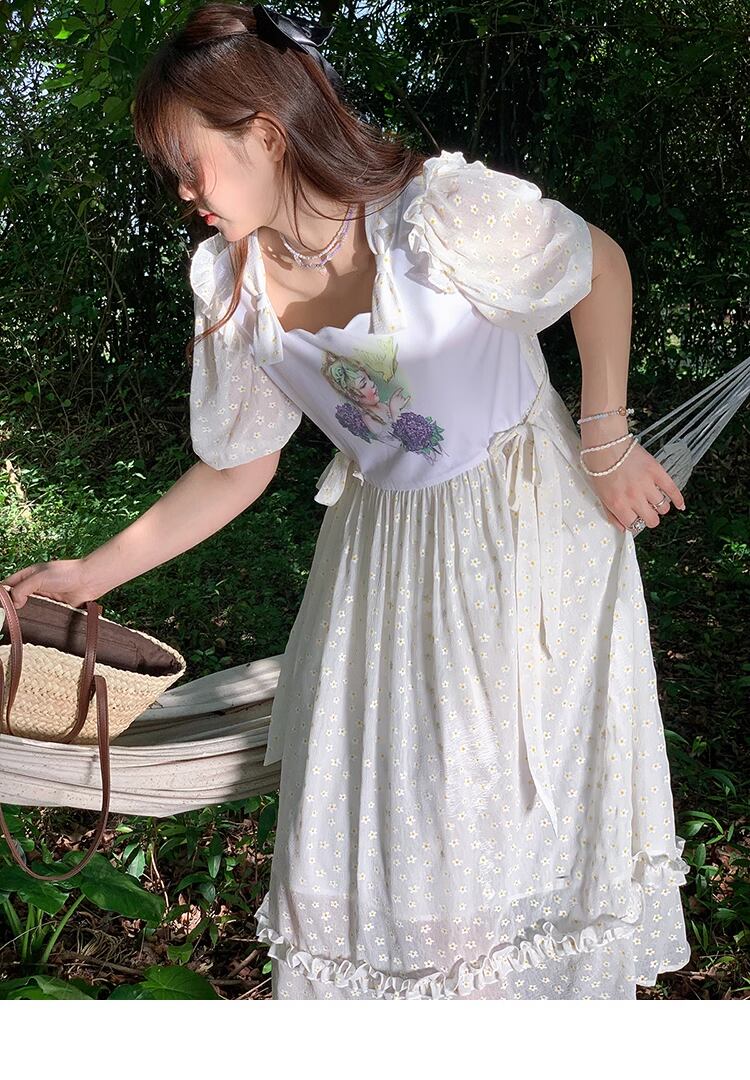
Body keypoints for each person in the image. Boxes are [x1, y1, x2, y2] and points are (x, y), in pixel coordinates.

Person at [0, 3, 692, 999]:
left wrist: (606, 435)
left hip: (526, 538)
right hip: (388, 563)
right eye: (171, 172)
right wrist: (86, 572)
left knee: (504, 809)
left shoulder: (434, 216)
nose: (183, 191)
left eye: (190, 163)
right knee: (405, 821)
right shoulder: (230, 283)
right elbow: (238, 468)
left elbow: (599, 265)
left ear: (266, 134)